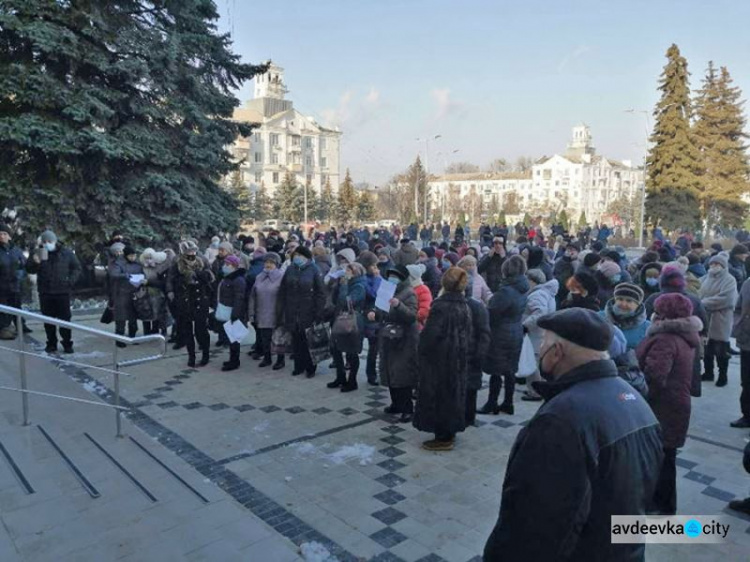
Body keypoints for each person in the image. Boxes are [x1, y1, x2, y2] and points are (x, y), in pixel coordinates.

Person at [484, 308, 663, 562]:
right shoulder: (634, 398)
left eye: (544, 342)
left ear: (557, 352)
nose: (539, 350)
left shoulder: (560, 421)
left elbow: (533, 525)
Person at [637, 293, 701, 515]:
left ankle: (660, 505)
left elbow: (654, 376)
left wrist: (638, 398)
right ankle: (665, 504)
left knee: (659, 457)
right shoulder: (687, 335)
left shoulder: (664, 339)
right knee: (667, 456)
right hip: (677, 403)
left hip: (661, 406)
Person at [414, 268, 473, 451]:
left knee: (439, 396)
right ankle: (449, 431)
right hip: (458, 359)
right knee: (453, 395)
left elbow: (430, 335)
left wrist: (422, 351)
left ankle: (443, 437)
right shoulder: (465, 305)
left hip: (440, 360)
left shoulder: (441, 306)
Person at [367, 265, 418, 423]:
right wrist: (374, 313)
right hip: (388, 337)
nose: (392, 279)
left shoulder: (409, 293)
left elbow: (412, 316)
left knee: (402, 374)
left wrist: (398, 305)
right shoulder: (386, 290)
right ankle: (396, 403)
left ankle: (408, 408)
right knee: (390, 372)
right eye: (390, 276)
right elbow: (380, 310)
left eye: (395, 276)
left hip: (404, 340)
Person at [482, 256, 529, 416]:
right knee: (510, 370)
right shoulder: (523, 287)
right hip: (515, 330)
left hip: (500, 333)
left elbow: (492, 312)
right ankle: (508, 403)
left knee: (496, 369)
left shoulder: (506, 291)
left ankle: (492, 403)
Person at [26, 230, 82, 353]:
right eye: (45, 242)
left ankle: (67, 343)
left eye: (50, 241)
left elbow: (76, 268)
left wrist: (70, 281)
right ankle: (51, 344)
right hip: (46, 292)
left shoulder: (66, 253)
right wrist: (34, 262)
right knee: (48, 320)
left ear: (55, 241)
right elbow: (30, 269)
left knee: (65, 320)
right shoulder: (40, 253)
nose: (47, 244)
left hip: (62, 292)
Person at [277, 246, 326, 378]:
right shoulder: (290, 269)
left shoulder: (314, 269)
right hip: (292, 309)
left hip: (308, 309)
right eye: (295, 255)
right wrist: (281, 309)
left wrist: (318, 311)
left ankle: (310, 367)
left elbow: (321, 293)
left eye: (300, 255)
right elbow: (283, 290)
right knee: (296, 339)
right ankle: (298, 366)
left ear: (306, 257)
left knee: (308, 340)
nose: (296, 257)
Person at [167, 241, 213, 367]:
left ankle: (205, 354)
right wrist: (180, 283)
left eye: (193, 251)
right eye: (189, 251)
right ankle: (191, 356)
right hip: (185, 300)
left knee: (201, 330)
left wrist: (199, 274)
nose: (192, 253)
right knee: (187, 330)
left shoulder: (201, 261)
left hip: (200, 299)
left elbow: (210, 277)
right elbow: (171, 280)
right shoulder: (177, 263)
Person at [700, 254, 738, 387]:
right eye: (712, 264)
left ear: (723, 266)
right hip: (706, 318)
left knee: (721, 349)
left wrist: (703, 303)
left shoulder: (729, 280)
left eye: (717, 264)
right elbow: (697, 291)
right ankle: (708, 373)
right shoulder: (705, 278)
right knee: (707, 349)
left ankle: (723, 375)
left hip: (721, 318)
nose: (714, 266)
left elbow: (726, 298)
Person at [328, 262, 367, 392]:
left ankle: (352, 381)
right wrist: (337, 285)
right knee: (335, 349)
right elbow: (335, 300)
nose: (346, 272)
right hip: (338, 319)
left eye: (349, 270)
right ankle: (340, 377)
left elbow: (347, 302)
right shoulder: (345, 283)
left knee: (351, 352)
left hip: (352, 322)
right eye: (346, 270)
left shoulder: (359, 286)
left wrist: (344, 286)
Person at [521, 269, 558, 401]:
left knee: (533, 363)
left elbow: (539, 313)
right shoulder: (545, 292)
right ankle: (537, 388)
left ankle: (535, 392)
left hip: (535, 334)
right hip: (541, 333)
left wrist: (525, 325)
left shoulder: (538, 294)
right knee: (537, 362)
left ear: (532, 280)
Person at [248, 253, 285, 370]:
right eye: (266, 262)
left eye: (271, 263)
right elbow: (253, 296)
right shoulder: (259, 276)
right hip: (262, 311)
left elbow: (285, 297)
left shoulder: (282, 277)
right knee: (264, 337)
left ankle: (280, 360)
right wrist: (251, 312)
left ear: (277, 264)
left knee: (278, 338)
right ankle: (267, 358)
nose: (268, 265)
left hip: (276, 311)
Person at [464, 283, 491, 427]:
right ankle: (467, 416)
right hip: (471, 353)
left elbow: (483, 333)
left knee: (470, 388)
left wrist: (480, 354)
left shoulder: (476, 307)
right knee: (468, 387)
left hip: (472, 354)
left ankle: (468, 417)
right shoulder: (475, 306)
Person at [108, 246, 145, 346]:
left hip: (134, 293)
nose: (133, 257)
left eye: (134, 255)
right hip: (121, 294)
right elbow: (113, 274)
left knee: (133, 318)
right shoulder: (118, 263)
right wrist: (126, 275)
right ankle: (119, 339)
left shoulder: (138, 264)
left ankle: (132, 337)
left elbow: (143, 274)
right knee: (121, 318)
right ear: (126, 255)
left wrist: (142, 280)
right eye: (131, 256)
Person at [215, 254, 246, 371]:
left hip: (234, 313)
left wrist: (235, 314)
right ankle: (232, 359)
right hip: (227, 311)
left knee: (234, 339)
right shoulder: (227, 277)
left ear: (234, 266)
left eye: (227, 264)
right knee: (231, 338)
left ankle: (234, 361)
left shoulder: (238, 280)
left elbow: (239, 298)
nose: (225, 266)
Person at [600, 283, 650, 352]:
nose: (623, 304)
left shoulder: (647, 328)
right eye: (620, 299)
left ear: (638, 304)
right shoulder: (599, 318)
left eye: (629, 301)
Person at [0, 224, 27, 340]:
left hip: (15, 284)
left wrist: (21, 273)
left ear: (9, 236)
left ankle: (21, 326)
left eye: (4, 234)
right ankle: (4, 329)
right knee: (4, 310)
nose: (1, 236)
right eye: (0, 234)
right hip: (2, 286)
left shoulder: (16, 250)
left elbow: (24, 264)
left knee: (17, 306)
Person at [140, 249, 170, 336]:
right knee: (145, 312)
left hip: (157, 293)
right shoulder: (142, 267)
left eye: (150, 257)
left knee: (158, 312)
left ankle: (156, 330)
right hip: (144, 293)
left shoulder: (159, 267)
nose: (148, 260)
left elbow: (162, 282)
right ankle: (147, 332)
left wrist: (149, 282)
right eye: (146, 258)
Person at [406, 264, 433, 331]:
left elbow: (424, 310)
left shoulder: (423, 289)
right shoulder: (406, 288)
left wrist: (410, 317)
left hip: (415, 325)